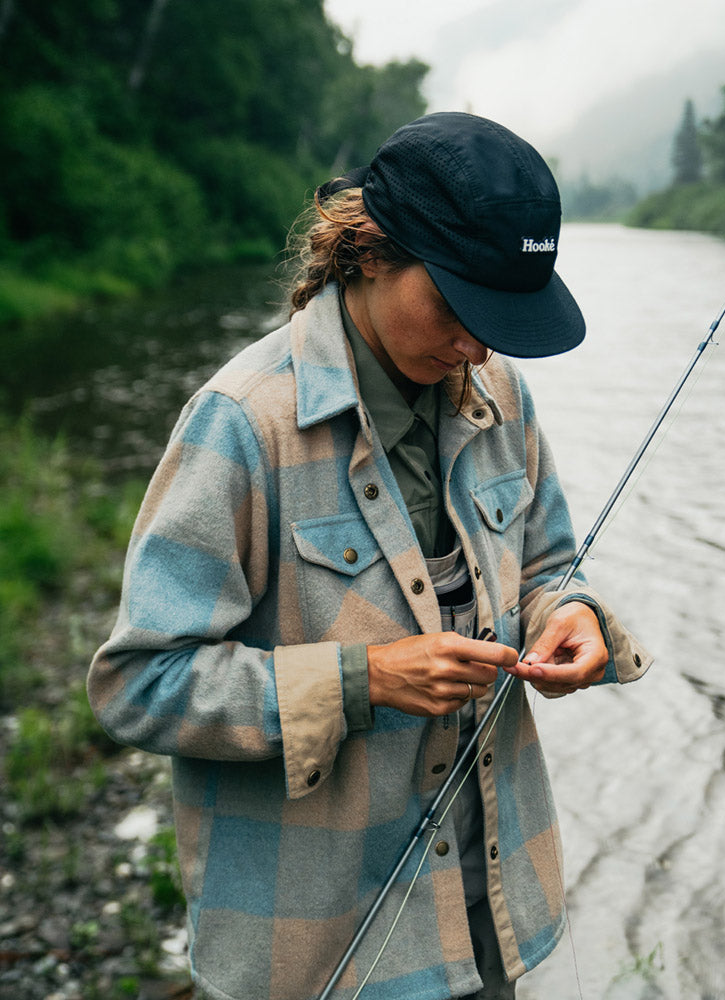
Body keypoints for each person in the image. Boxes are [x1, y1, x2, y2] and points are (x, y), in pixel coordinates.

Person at [88, 111, 650, 1000]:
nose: (478, 344)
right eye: (460, 307)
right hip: (318, 955)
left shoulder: (501, 394)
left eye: (499, 319)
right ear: (372, 253)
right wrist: (364, 680)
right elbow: (140, 685)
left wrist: (572, 617)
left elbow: (548, 569)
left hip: (489, 923)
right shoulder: (240, 424)